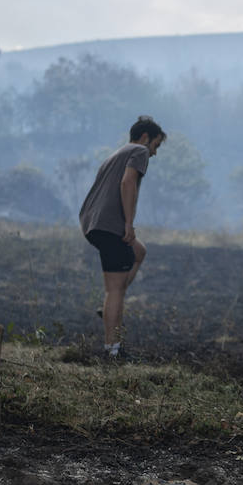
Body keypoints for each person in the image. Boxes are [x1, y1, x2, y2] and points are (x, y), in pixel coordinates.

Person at [79, 115, 165, 357]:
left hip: (92, 223)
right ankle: (112, 349)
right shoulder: (139, 151)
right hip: (109, 225)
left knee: (139, 251)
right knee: (115, 290)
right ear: (146, 137)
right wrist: (129, 223)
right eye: (156, 145)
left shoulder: (116, 154)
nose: (155, 153)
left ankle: (108, 308)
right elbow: (128, 183)